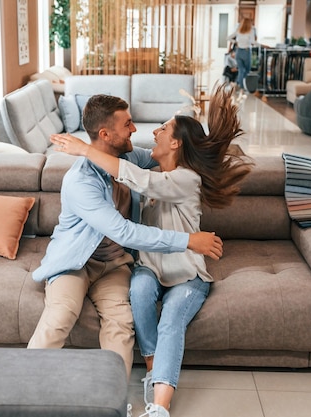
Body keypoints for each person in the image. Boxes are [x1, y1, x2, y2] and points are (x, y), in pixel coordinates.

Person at [50, 85, 253, 417]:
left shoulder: (186, 179)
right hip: (149, 268)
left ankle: (159, 407)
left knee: (172, 320)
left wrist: (84, 149)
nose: (152, 132)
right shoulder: (153, 168)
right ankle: (153, 373)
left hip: (187, 274)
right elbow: (126, 166)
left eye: (163, 128)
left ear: (175, 143)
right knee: (140, 290)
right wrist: (90, 151)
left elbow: (135, 178)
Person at [27, 94, 224, 385]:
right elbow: (124, 232)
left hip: (115, 265)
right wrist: (188, 240)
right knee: (60, 316)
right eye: (128, 124)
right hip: (76, 263)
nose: (135, 129)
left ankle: (110, 396)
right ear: (106, 134)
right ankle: (18, 386)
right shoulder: (81, 181)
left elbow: (170, 160)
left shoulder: (130, 157)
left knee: (121, 324)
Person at [228, 17, 257, 96]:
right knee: (246, 70)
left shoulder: (238, 30)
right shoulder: (251, 31)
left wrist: (236, 42)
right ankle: (240, 87)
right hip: (246, 52)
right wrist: (261, 45)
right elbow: (253, 42)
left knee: (241, 70)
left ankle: (237, 85)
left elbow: (228, 38)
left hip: (238, 52)